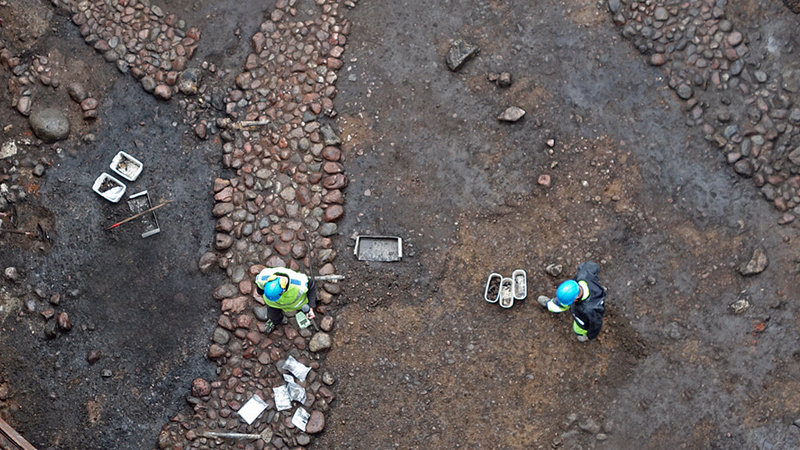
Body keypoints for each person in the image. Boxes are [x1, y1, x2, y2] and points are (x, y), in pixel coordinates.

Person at [537, 261, 606, 342]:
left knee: (579, 327)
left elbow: (596, 324)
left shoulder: (590, 310)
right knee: (558, 304)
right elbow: (589, 266)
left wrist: (591, 335)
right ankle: (550, 305)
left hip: (582, 319)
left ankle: (582, 334)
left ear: (575, 300)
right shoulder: (584, 276)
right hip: (587, 297)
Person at [254, 267, 318, 334]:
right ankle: (275, 321)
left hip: (299, 305)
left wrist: (311, 307)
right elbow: (260, 290)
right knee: (273, 316)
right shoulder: (262, 279)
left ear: (283, 290)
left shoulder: (300, 284)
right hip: (273, 305)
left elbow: (312, 287)